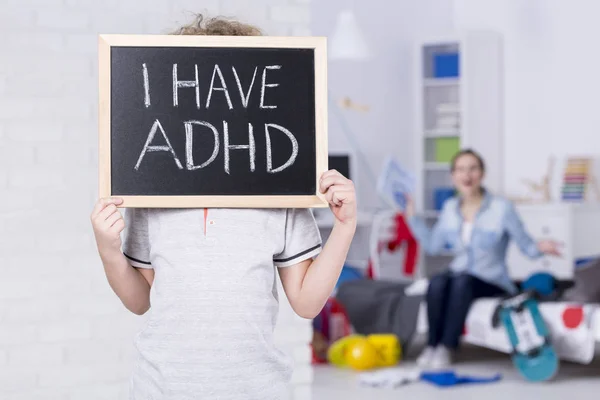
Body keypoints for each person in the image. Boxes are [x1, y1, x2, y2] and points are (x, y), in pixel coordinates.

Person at [90, 15, 357, 399]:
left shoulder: (279, 191)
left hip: (258, 388)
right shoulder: (154, 193)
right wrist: (108, 250)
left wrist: (345, 227)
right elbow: (140, 301)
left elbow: (307, 302)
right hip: (163, 388)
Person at [404, 149, 560, 368]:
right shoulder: (449, 208)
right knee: (438, 281)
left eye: (472, 168)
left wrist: (541, 247)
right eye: (460, 169)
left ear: (482, 174)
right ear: (453, 176)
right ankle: (432, 346)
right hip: (459, 275)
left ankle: (448, 347)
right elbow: (432, 245)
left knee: (462, 281)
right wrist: (413, 219)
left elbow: (526, 246)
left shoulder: (501, 208)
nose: (466, 175)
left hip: (491, 280)